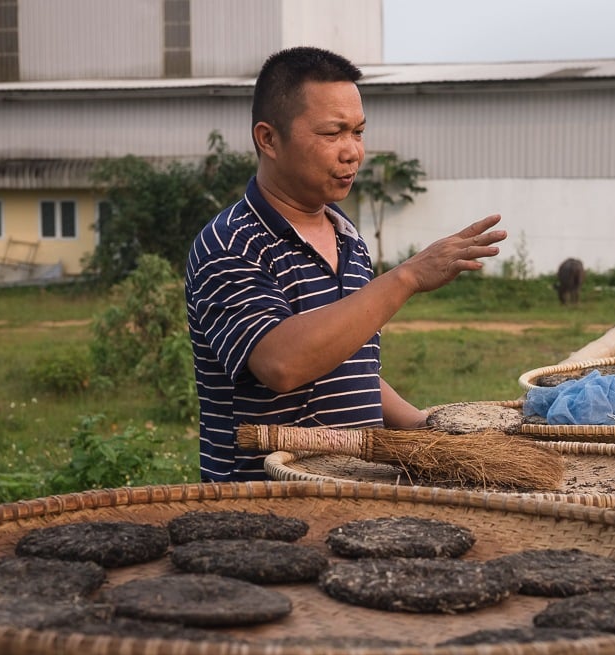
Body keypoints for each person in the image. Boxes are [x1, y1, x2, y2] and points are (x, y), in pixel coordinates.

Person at [185, 46, 506, 482]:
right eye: (332, 133)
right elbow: (283, 364)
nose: (352, 151)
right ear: (269, 139)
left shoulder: (348, 238)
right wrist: (406, 277)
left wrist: (423, 428)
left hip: (353, 495)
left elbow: (346, 361)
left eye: (358, 131)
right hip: (262, 510)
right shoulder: (232, 244)